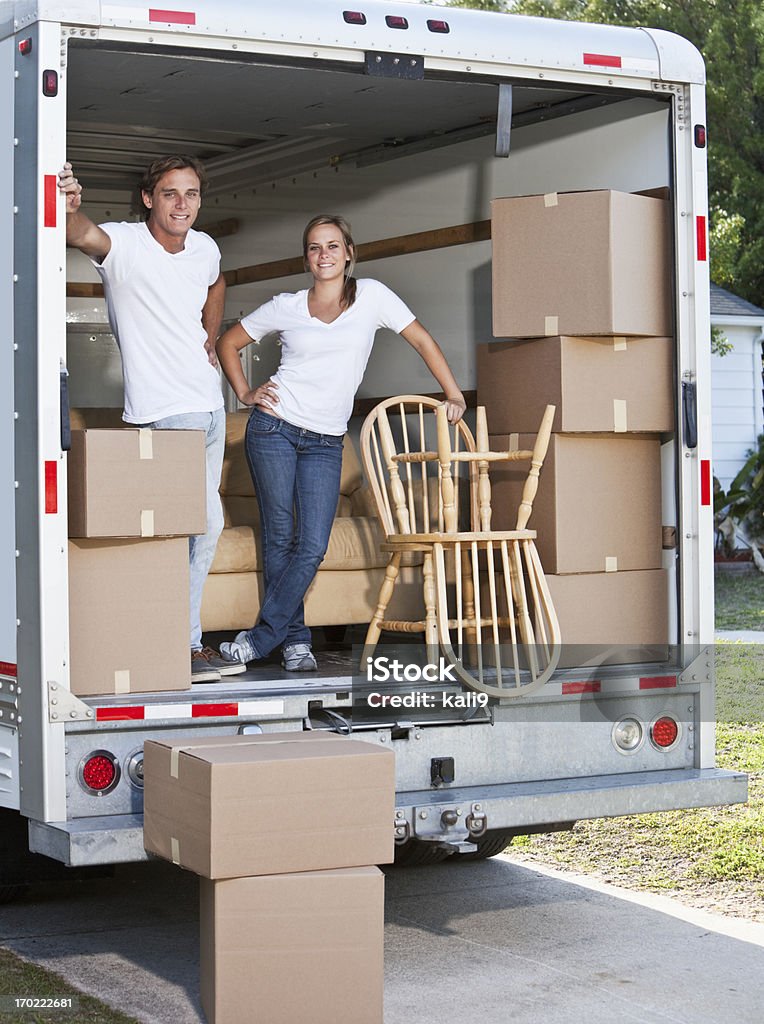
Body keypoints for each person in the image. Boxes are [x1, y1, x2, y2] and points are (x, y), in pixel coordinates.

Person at [216, 213, 466, 671]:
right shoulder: (286, 305)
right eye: (314, 247)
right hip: (273, 427)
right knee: (280, 537)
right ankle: (294, 642)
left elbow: (422, 339)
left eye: (333, 246)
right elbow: (227, 343)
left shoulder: (372, 296)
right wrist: (246, 393)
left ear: (349, 252)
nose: (324, 254)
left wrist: (452, 393)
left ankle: (260, 638)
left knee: (312, 543)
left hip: (326, 441)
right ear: (306, 258)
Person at [58, 156, 244, 683]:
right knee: (197, 529)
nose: (182, 204)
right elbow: (81, 232)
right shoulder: (126, 245)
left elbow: (217, 281)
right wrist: (70, 204)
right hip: (165, 414)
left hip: (209, 408)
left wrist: (209, 334)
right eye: (170, 194)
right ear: (148, 198)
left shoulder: (205, 247)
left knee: (199, 529)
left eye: (190, 194)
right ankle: (180, 645)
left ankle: (177, 640)